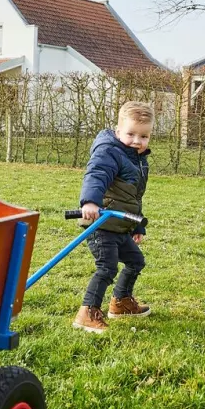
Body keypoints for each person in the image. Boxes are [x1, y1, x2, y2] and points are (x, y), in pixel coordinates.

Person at [73, 100, 154, 334]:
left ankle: (120, 303)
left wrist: (138, 226)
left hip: (120, 226)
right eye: (130, 134)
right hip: (100, 224)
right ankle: (87, 312)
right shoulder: (109, 151)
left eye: (144, 136)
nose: (137, 141)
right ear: (118, 131)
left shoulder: (138, 160)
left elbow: (133, 197)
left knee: (136, 261)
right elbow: (96, 175)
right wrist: (90, 201)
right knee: (107, 268)